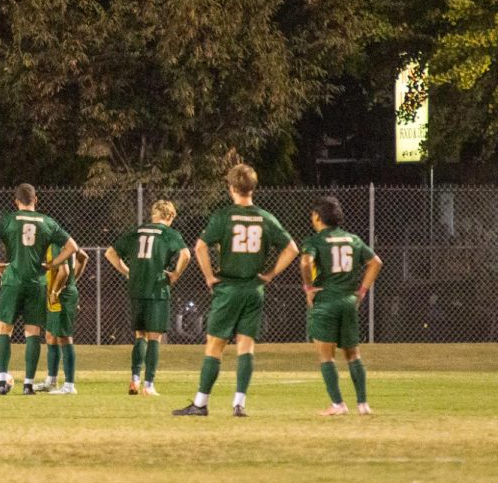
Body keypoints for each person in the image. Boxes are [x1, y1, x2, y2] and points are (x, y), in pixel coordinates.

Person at [173, 164, 298, 417]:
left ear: (231, 188)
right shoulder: (265, 217)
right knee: (246, 346)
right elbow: (292, 249)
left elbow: (200, 248)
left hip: (228, 288)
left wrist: (209, 277)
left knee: (214, 346)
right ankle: (239, 403)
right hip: (254, 289)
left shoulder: (224, 216)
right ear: (253, 187)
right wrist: (270, 274)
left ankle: (200, 404)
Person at [0, 183, 78, 395]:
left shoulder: (9, 219)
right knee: (32, 332)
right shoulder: (47, 222)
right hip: (37, 283)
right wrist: (53, 264)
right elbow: (72, 247)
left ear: (16, 201)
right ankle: (28, 385)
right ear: (36, 200)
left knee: (5, 329)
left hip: (13, 279)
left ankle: (1, 381)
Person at [300, 196, 383, 416]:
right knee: (353, 355)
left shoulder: (315, 241)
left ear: (317, 217)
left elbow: (306, 262)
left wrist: (308, 288)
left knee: (326, 357)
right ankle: (363, 404)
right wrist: (362, 292)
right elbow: (375, 262)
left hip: (326, 301)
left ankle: (338, 404)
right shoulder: (353, 239)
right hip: (348, 302)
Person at [105, 200, 191, 396]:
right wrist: (176, 274)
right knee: (154, 337)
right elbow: (186, 255)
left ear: (154, 214)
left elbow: (110, 253)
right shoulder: (169, 233)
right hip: (157, 289)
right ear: (169, 216)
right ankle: (149, 384)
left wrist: (127, 272)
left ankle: (135, 378)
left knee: (139, 335)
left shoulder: (137, 231)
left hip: (136, 289)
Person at [38, 244, 89, 394]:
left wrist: (55, 291)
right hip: (61, 292)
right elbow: (83, 257)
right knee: (51, 336)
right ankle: (51, 381)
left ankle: (69, 385)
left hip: (60, 295)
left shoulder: (54, 244)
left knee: (64, 338)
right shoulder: (66, 242)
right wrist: (73, 282)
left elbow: (64, 271)